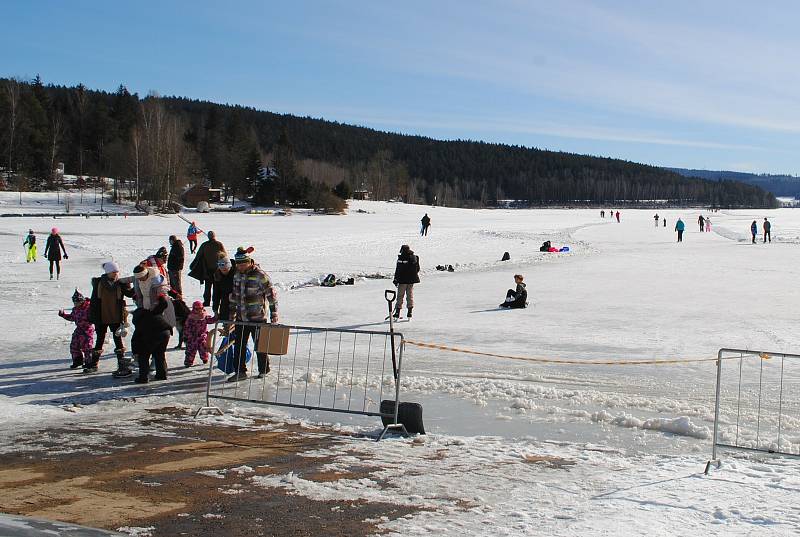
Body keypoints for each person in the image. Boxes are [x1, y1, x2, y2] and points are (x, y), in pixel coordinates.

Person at [228, 247, 279, 382]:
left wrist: (274, 312)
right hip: (241, 317)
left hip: (257, 318)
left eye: (243, 263)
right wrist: (231, 314)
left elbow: (271, 295)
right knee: (239, 346)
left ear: (249, 262)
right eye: (238, 264)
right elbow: (235, 295)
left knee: (260, 346)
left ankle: (263, 370)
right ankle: (240, 371)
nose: (240, 266)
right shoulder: (237, 274)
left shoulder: (260, 275)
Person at [89, 261, 135, 377]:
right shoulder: (99, 283)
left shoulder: (121, 283)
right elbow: (94, 301)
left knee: (118, 341)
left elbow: (130, 294)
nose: (116, 274)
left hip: (116, 316)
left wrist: (137, 282)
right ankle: (94, 363)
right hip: (102, 316)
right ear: (108, 272)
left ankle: (122, 365)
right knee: (100, 339)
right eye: (113, 272)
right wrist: (93, 317)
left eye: (117, 272)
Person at [131, 294, 172, 384]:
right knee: (159, 354)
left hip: (154, 333)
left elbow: (135, 339)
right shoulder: (152, 312)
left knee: (143, 355)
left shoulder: (140, 321)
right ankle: (162, 374)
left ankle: (143, 378)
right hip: (166, 332)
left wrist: (135, 352)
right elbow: (163, 305)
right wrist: (161, 298)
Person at [58, 290, 94, 370]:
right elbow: (72, 317)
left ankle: (89, 363)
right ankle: (77, 361)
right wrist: (63, 315)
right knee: (74, 346)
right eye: (74, 302)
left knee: (87, 347)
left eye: (76, 302)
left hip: (87, 330)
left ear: (81, 301)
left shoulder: (88, 308)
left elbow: (94, 317)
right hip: (78, 330)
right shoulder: (75, 309)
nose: (75, 304)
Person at [189, 230, 225, 307]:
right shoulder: (219, 244)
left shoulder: (204, 245)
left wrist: (192, 265)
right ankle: (215, 302)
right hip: (217, 270)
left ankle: (207, 302)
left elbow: (198, 256)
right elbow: (224, 256)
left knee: (208, 287)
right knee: (216, 288)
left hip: (209, 270)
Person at [183, 301, 217, 367]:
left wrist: (215, 318)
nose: (199, 310)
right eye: (197, 309)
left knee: (203, 348)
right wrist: (186, 335)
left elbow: (210, 320)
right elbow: (186, 327)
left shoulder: (204, 316)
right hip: (192, 337)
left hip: (202, 336)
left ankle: (205, 358)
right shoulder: (190, 317)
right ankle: (188, 361)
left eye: (200, 308)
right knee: (190, 350)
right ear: (193, 309)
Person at [392, 244, 420, 319]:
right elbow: (417, 269)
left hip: (402, 280)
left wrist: (396, 279)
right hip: (411, 280)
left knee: (400, 296)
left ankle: (397, 312)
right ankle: (409, 312)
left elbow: (398, 270)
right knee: (409, 295)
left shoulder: (401, 258)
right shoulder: (414, 257)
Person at [212, 254, 237, 322]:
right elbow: (216, 294)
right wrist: (215, 310)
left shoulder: (236, 274)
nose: (223, 271)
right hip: (225, 304)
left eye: (225, 269)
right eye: (222, 270)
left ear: (229, 267)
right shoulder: (218, 276)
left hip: (238, 304)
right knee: (226, 324)